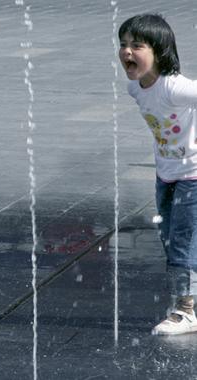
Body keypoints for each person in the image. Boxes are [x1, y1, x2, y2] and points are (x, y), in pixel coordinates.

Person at [119, 13, 197, 335]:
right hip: (165, 174)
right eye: (123, 45)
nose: (127, 52)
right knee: (168, 237)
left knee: (182, 241)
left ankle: (185, 311)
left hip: (193, 175)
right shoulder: (135, 88)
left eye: (137, 45)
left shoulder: (174, 87)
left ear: (160, 50)